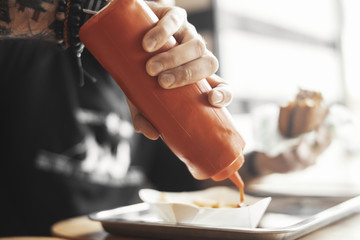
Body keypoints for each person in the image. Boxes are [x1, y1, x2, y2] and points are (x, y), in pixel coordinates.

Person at [0, 0, 330, 237]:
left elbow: (180, 175)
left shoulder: (156, 82)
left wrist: (263, 163)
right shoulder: (19, 53)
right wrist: (92, 11)